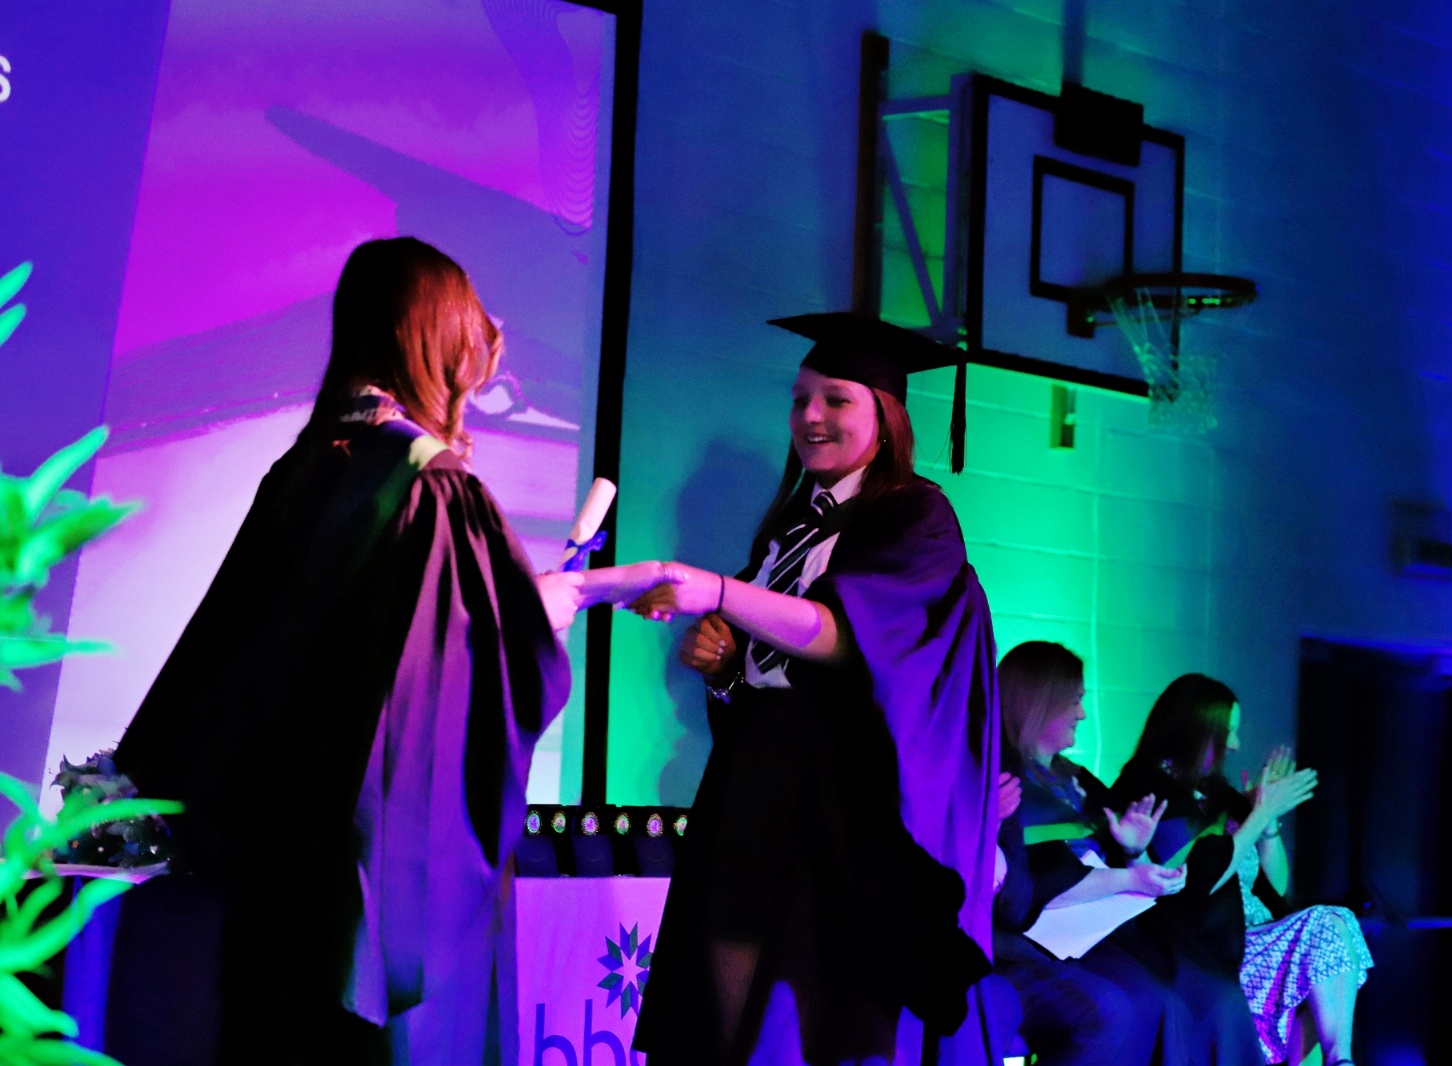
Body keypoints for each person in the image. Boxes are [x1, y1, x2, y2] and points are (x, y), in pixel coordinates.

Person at [110, 237, 663, 1065]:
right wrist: (547, 610)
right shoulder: (431, 483)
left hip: (267, 854)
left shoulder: (309, 462)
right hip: (356, 864)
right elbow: (444, 683)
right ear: (434, 339)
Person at [629, 312, 1002, 1065]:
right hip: (757, 780)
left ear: (886, 417)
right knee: (728, 1000)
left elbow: (843, 636)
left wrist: (718, 592)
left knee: (818, 1011)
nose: (810, 416)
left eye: (836, 399)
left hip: (846, 796)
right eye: (800, 399)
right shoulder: (790, 527)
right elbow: (768, 669)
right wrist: (725, 670)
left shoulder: (917, 517)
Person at [1111, 675, 1372, 1066]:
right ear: (1195, 731)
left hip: (1257, 933)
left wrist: (1267, 823)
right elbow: (1199, 879)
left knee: (1334, 929)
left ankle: (1340, 1059)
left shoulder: (1217, 793)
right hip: (1206, 948)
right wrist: (1260, 813)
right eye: (1226, 733)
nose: (1234, 745)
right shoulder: (1148, 787)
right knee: (1328, 925)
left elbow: (1274, 887)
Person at [990, 641, 1191, 1066]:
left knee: (1170, 995)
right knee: (1132, 1002)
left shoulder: (1077, 779)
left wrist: (1134, 851)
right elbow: (1042, 882)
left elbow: (1126, 864)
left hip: (1106, 933)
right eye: (1074, 700)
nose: (1082, 713)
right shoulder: (1004, 782)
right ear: (1039, 702)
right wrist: (1133, 876)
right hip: (1040, 941)